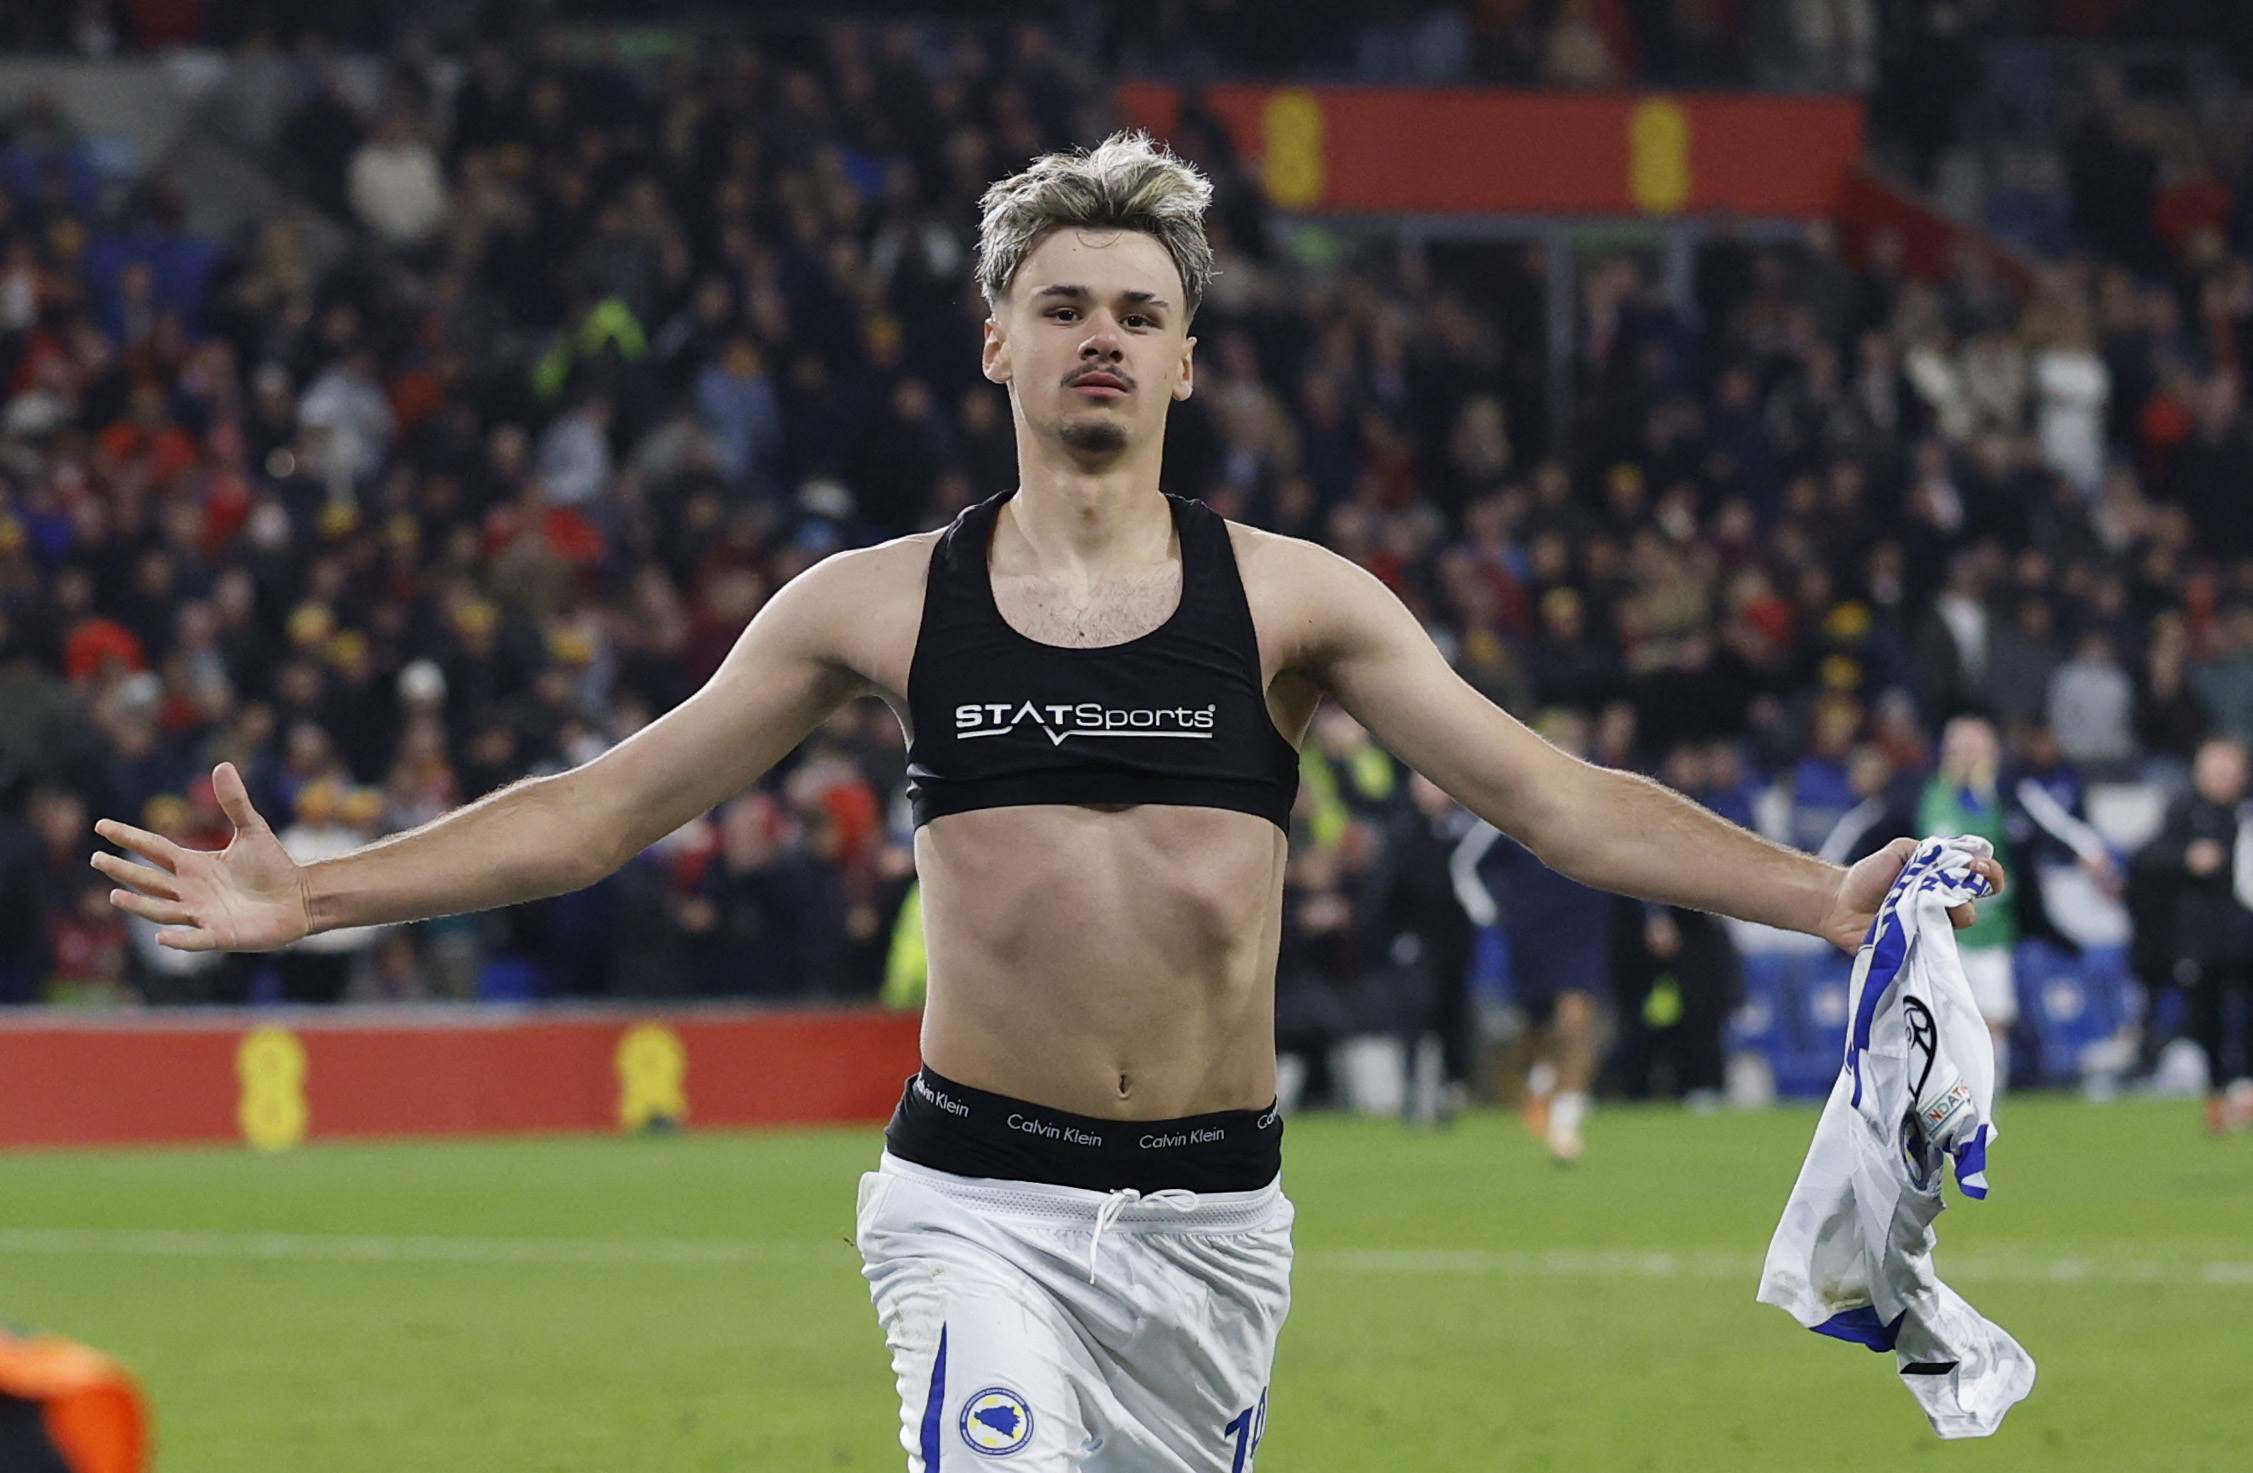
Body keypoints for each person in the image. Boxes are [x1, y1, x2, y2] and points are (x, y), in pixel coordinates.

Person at [90, 134, 2002, 1472]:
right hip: (968, 1203)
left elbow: (1560, 798)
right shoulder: (865, 603)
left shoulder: (1299, 598)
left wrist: (1818, 898)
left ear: (1185, 356)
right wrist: (313, 897)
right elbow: (605, 806)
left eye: (1137, 309)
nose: (1101, 332)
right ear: (994, 340)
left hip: (1212, 1228)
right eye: (1063, 302)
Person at [2131, 736, 2253, 1135]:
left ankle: (2245, 1092)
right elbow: (2147, 858)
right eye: (2215, 770)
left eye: (2229, 770)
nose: (2223, 778)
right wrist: (2187, 857)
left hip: (2245, 934)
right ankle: (2218, 1098)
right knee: (2207, 1022)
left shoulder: (2245, 814)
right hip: (2203, 941)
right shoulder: (2184, 813)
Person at [1917, 714, 2021, 1091]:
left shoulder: (2006, 795)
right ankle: (1947, 1103)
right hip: (1941, 931)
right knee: (1943, 1021)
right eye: (1958, 747)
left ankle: (1988, 1105)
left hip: (1992, 930)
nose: (1966, 755)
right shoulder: (1930, 794)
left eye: (1974, 747)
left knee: (1993, 1020)